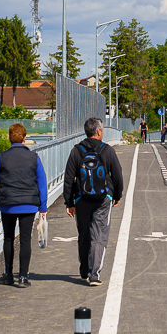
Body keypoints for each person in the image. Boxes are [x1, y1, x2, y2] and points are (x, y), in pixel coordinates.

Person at [64, 117, 125, 286]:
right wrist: (117, 195)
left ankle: (84, 270)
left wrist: (69, 202)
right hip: (103, 199)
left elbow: (69, 178)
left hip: (81, 198)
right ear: (98, 131)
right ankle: (94, 274)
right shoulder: (107, 150)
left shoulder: (76, 150)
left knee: (83, 234)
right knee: (99, 235)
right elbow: (117, 175)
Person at [0, 122, 47, 287]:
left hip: (8, 204)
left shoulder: (2, 157)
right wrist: (43, 207)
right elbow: (41, 183)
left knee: (8, 238)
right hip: (29, 204)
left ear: (9, 139)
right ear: (24, 138)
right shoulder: (34, 158)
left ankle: (7, 275)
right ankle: (23, 277)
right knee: (25, 240)